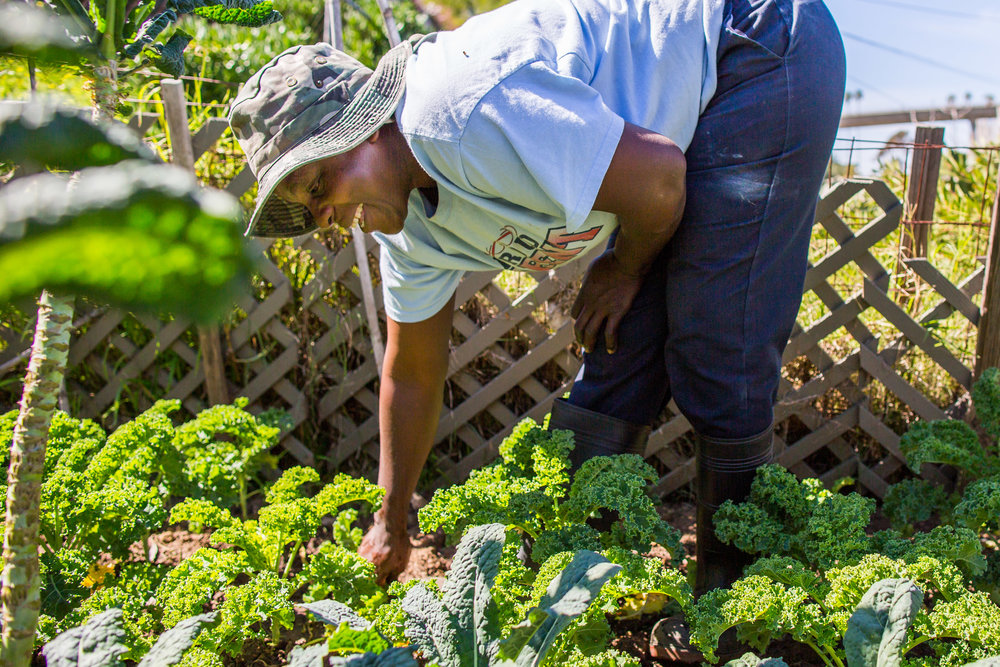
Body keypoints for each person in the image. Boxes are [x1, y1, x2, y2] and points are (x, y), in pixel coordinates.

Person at [228, 0, 844, 659]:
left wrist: (623, 266)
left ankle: (738, 609)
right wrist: (391, 518)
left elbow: (659, 183)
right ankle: (582, 597)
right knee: (618, 346)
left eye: (320, 180)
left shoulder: (455, 112)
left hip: (752, 45)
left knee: (719, 339)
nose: (325, 213)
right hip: (672, 134)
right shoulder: (407, 232)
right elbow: (411, 372)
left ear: (368, 125)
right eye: (309, 206)